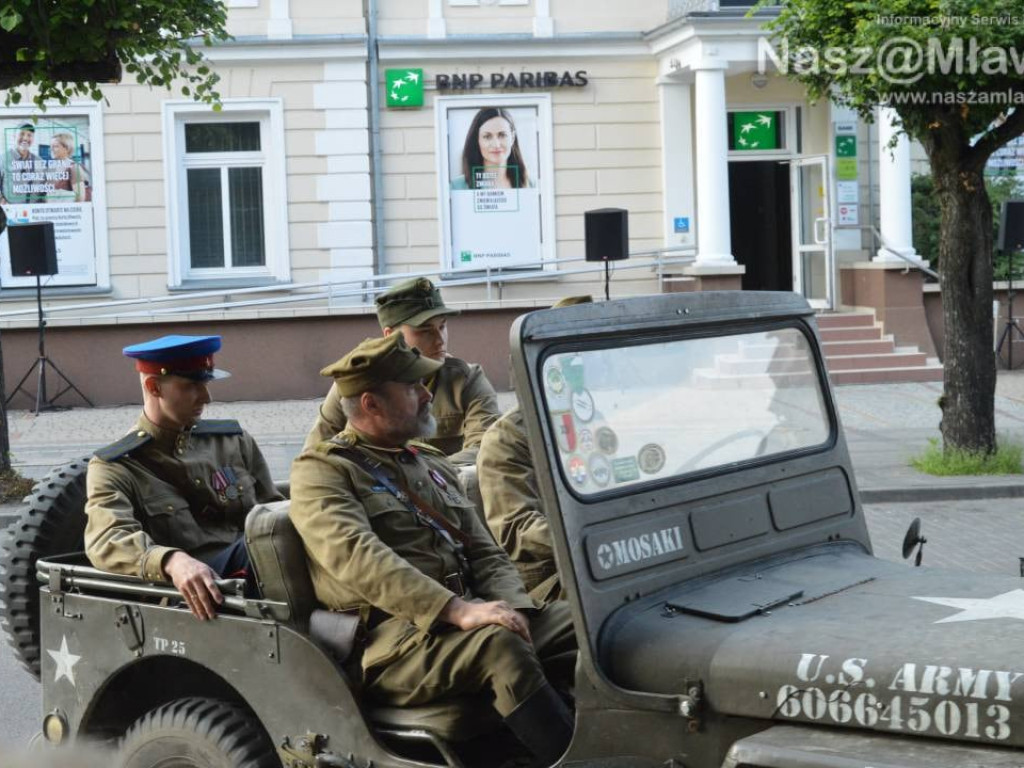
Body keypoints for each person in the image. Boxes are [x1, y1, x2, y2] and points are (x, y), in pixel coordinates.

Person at [290, 334, 577, 765]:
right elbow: (358, 557)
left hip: (469, 617)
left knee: (585, 624)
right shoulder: (322, 471)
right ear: (371, 404)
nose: (427, 396)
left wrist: (515, 607)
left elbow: (485, 551)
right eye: (412, 388)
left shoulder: (428, 462)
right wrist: (456, 610)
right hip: (396, 643)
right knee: (500, 646)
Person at [84, 335, 284, 621]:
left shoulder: (232, 441)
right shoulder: (117, 466)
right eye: (191, 386)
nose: (206, 397)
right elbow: (108, 540)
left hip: (256, 575)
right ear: (154, 387)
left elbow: (272, 509)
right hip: (194, 593)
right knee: (265, 547)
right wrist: (171, 560)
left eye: (206, 383)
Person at [303, 277, 500, 465]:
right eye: (425, 330)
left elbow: (486, 447)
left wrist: (426, 475)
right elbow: (315, 453)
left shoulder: (466, 379)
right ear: (390, 335)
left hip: (447, 485)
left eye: (442, 326)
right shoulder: (359, 382)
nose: (440, 339)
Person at [477, 296, 593, 604]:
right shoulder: (508, 437)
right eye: (572, 360)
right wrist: (590, 539)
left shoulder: (593, 420)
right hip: (552, 578)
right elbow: (517, 527)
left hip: (600, 562)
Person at [451, 107, 533, 190]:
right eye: (487, 136)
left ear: (512, 138)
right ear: (477, 140)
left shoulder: (531, 185)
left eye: (502, 135)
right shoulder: (456, 187)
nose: (496, 144)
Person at [0, 123, 47, 204]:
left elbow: (43, 190)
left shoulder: (39, 161)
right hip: (10, 210)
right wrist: (3, 202)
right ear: (14, 136)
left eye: (29, 135)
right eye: (21, 134)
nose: (25, 138)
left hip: (34, 210)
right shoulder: (3, 159)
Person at [48, 132, 91, 202]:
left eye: (55, 146)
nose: (51, 149)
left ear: (66, 148)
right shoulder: (51, 167)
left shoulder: (74, 168)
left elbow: (80, 199)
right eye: (50, 146)